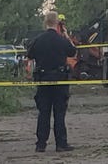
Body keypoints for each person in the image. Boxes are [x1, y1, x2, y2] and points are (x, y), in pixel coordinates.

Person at [27, 10, 77, 152]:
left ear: (45, 23)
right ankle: (61, 144)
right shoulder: (61, 40)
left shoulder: (38, 40)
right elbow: (73, 52)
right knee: (59, 113)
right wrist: (66, 35)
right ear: (57, 24)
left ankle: (40, 144)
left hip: (43, 80)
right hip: (60, 80)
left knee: (43, 112)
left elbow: (29, 54)